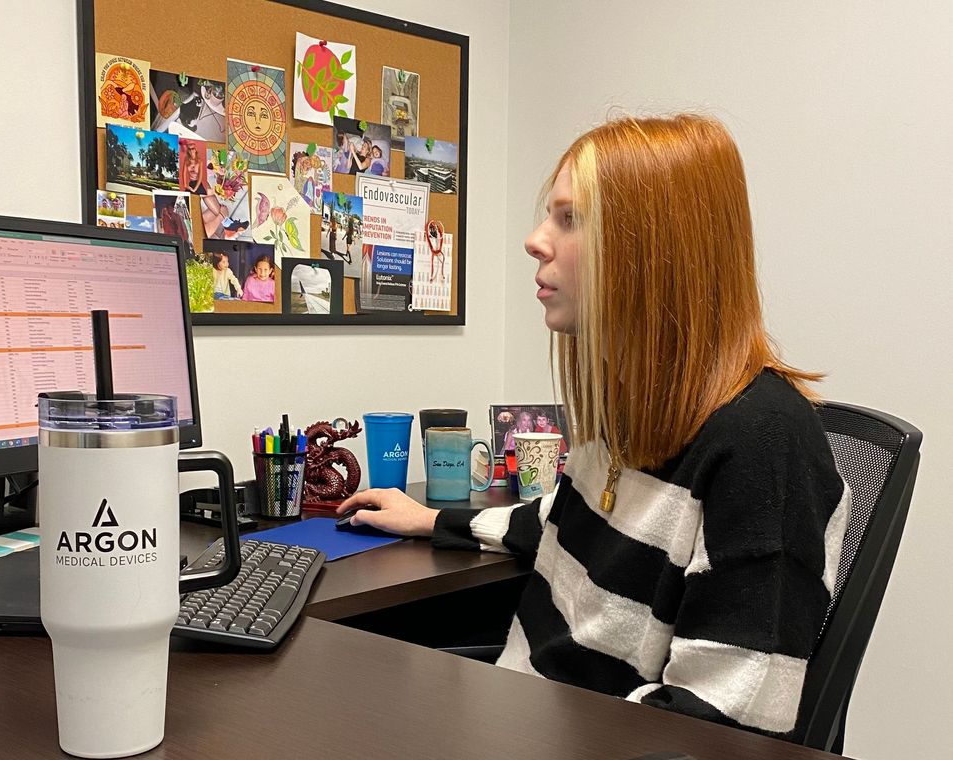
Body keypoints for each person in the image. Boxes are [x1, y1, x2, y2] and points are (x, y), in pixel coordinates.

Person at [337, 114, 851, 738]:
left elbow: (722, 729)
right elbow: (561, 521)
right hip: (523, 723)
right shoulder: (632, 413)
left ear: (654, 248)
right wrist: (431, 520)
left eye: (569, 219)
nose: (534, 239)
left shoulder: (764, 448)